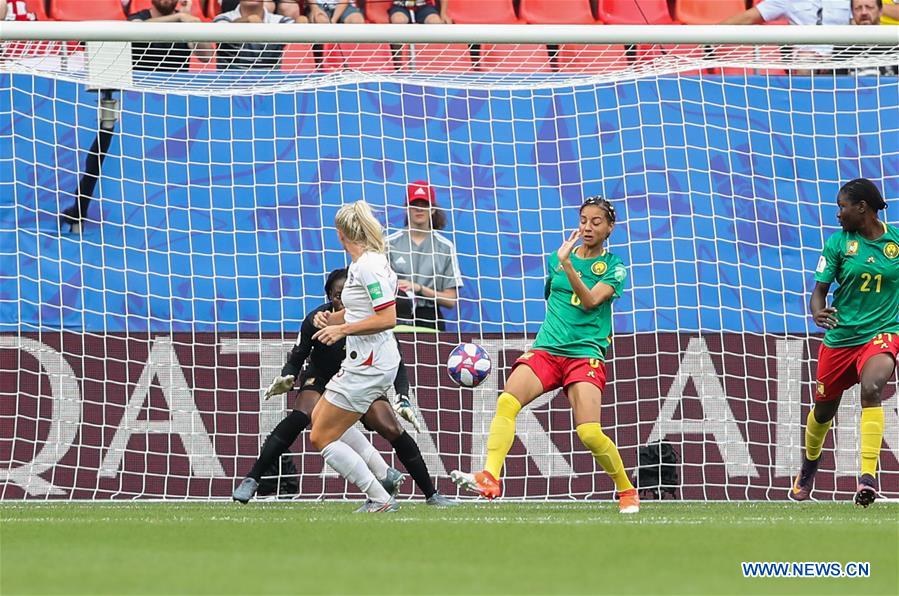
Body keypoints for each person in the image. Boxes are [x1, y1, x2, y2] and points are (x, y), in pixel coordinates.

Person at [450, 197, 640, 514]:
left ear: (610, 227)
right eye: (583, 220)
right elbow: (553, 298)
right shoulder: (556, 259)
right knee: (507, 401)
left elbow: (592, 301)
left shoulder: (614, 267)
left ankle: (626, 490)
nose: (588, 227)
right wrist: (563, 263)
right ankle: (490, 477)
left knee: (589, 433)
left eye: (596, 221)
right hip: (547, 350)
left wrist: (568, 264)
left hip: (584, 354)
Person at [232, 267, 455, 507]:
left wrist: (402, 396)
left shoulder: (371, 322)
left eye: (348, 293)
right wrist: (287, 377)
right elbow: (297, 356)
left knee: (391, 427)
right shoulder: (317, 318)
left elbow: (396, 361)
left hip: (360, 380)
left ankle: (431, 493)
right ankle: (252, 479)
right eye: (337, 295)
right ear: (330, 297)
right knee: (302, 416)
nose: (342, 299)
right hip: (322, 377)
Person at [790, 179, 898, 508]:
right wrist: (817, 313)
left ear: (862, 208)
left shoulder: (896, 243)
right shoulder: (837, 244)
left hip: (882, 331)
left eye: (842, 206)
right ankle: (809, 466)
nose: (838, 214)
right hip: (841, 337)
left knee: (872, 388)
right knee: (824, 410)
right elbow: (818, 293)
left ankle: (867, 478)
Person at [386, 181, 462, 331]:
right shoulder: (388, 244)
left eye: (424, 204)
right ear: (406, 208)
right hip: (396, 316)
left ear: (432, 209)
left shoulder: (445, 246)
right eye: (414, 204)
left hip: (430, 318)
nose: (419, 209)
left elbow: (450, 300)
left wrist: (419, 288)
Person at [129, 0, 214, 72]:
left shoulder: (185, 20)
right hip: (141, 86)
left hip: (176, 86)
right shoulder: (138, 17)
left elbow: (206, 56)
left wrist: (193, 26)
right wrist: (178, 17)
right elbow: (138, 28)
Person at [214, 0, 295, 70]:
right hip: (229, 83)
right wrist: (248, 21)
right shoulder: (222, 18)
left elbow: (297, 31)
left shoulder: (281, 21)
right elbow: (224, 29)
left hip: (270, 83)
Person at [840, 0, 899, 75]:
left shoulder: (895, 44)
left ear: (880, 11)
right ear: (852, 12)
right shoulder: (843, 46)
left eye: (869, 7)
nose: (864, 12)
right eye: (858, 8)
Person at [722, 0, 850, 26]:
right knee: (805, 57)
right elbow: (749, 18)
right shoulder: (787, 1)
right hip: (806, 63)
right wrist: (711, 34)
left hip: (844, 59)